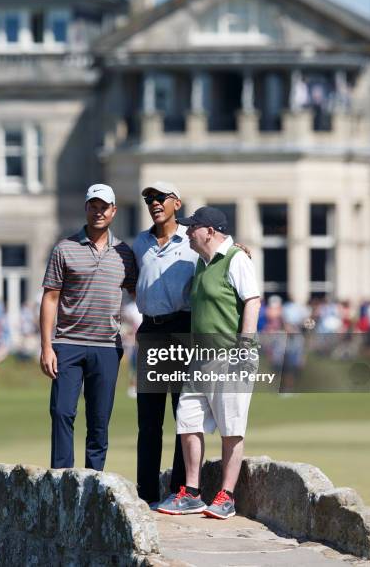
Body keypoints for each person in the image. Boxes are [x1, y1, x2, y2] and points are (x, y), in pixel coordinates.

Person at [157, 206, 261, 519]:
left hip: (231, 354)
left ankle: (226, 496)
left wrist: (244, 346)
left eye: (192, 228)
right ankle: (191, 492)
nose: (187, 232)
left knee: (231, 427)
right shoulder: (201, 263)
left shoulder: (236, 259)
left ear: (210, 232)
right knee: (187, 420)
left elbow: (252, 301)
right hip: (199, 356)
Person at [40, 184, 137, 470]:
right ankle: (62, 479)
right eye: (93, 206)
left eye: (103, 207)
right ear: (86, 208)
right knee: (61, 412)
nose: (98, 212)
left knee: (99, 420)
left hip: (107, 347)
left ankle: (94, 481)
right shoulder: (64, 249)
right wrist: (46, 346)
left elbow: (139, 293)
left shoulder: (125, 254)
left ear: (113, 211)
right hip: (67, 343)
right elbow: (51, 297)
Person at [132, 181, 198, 506]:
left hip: (181, 329)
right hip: (150, 331)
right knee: (149, 419)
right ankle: (145, 494)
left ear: (176, 202)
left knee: (183, 415)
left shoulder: (191, 240)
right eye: (149, 199)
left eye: (160, 198)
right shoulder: (139, 242)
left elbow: (221, 254)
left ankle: (179, 491)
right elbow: (132, 281)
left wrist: (239, 249)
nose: (153, 203)